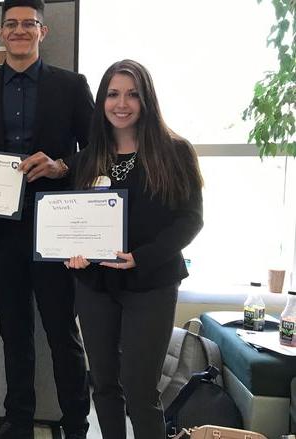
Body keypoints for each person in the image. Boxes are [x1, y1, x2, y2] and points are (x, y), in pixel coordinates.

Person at [0, 0, 94, 437]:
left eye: (28, 24)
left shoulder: (72, 87)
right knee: (13, 334)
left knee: (62, 334)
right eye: (11, 25)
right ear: (1, 33)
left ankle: (75, 424)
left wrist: (61, 167)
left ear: (43, 31)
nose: (20, 31)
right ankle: (19, 424)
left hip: (56, 229)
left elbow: (98, 153)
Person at [65, 59, 204, 439]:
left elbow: (190, 220)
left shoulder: (175, 152)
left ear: (146, 100)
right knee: (104, 384)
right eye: (112, 94)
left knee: (141, 390)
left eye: (132, 94)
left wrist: (140, 258)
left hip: (152, 284)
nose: (121, 103)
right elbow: (75, 219)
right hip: (95, 285)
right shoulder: (89, 156)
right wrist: (73, 252)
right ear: (102, 101)